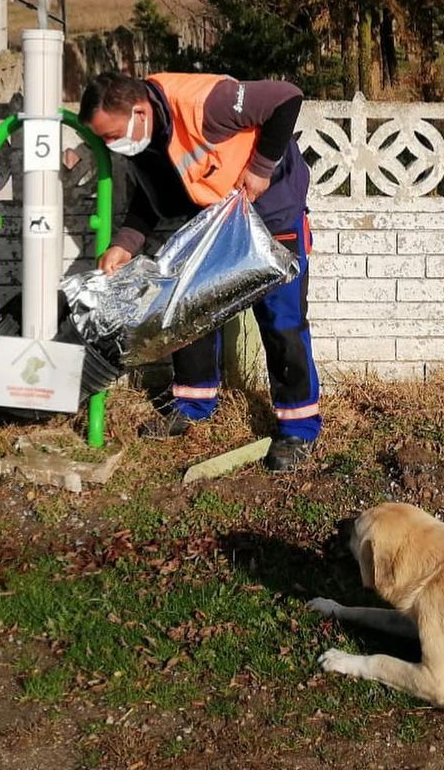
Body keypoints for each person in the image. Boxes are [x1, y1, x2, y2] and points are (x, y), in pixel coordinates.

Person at [79, 69, 320, 472]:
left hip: (273, 215)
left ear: (139, 111)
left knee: (283, 323)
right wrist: (125, 243)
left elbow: (285, 97)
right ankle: (193, 405)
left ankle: (298, 428)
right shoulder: (147, 137)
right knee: (188, 312)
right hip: (216, 224)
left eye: (110, 135)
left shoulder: (203, 103)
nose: (111, 147)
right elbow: (152, 197)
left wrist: (261, 167)